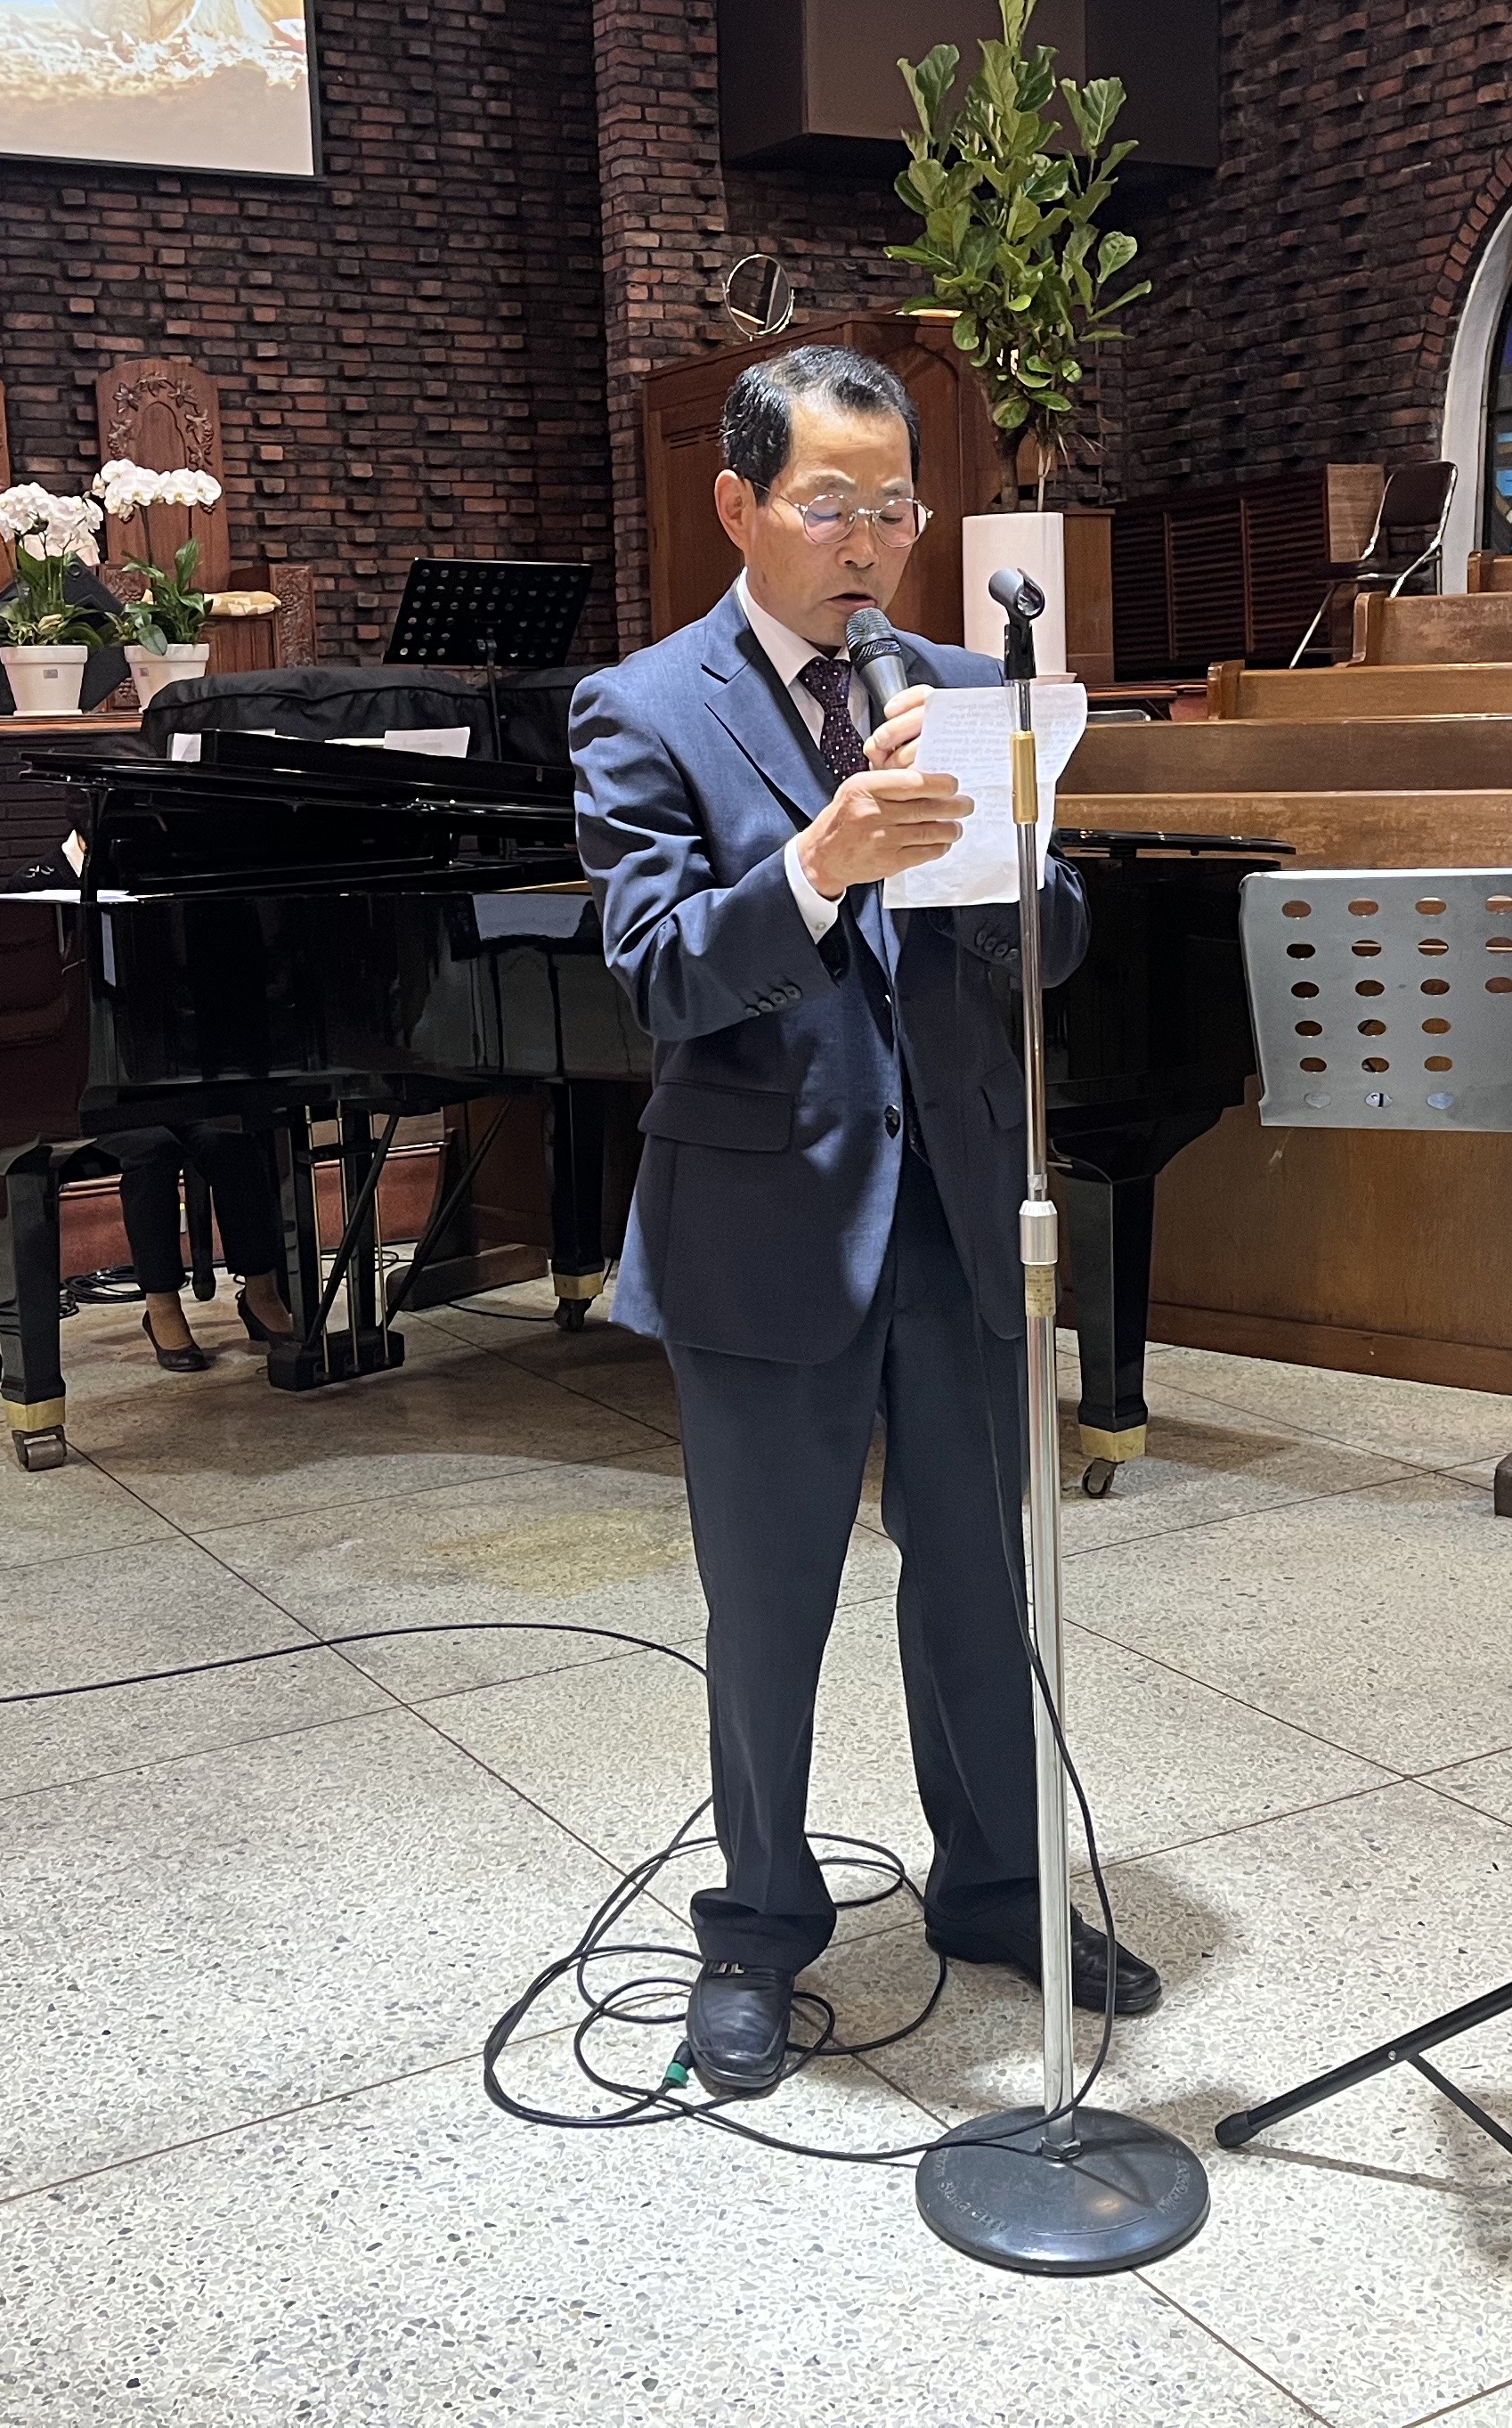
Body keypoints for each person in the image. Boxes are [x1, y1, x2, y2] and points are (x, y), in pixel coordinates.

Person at [568, 345, 1159, 2102]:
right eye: (828, 504)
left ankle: (993, 1885)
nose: (868, 541)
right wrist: (819, 863)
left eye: (894, 507)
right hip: (765, 1224)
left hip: (962, 1213)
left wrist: (1002, 856)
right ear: (738, 504)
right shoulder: (643, 710)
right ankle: (755, 1923)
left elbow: (1055, 951)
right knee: (769, 1609)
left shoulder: (967, 689)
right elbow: (661, 976)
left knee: (982, 1585)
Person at [110, 1126, 293, 1370]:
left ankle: (261, 1293)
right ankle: (162, 1306)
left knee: (231, 1140)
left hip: (178, 1109)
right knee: (153, 1148)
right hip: (101, 1117)